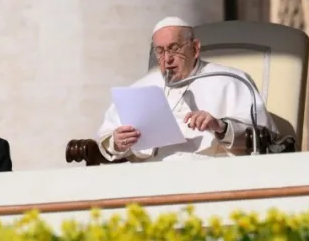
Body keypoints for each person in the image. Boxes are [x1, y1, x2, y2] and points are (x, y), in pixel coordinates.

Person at [95, 16, 279, 163]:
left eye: (174, 48)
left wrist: (220, 126)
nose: (167, 59)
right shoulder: (140, 88)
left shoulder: (230, 80)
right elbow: (107, 137)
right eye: (160, 51)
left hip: (212, 173)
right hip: (151, 176)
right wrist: (117, 142)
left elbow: (263, 136)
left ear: (195, 48)